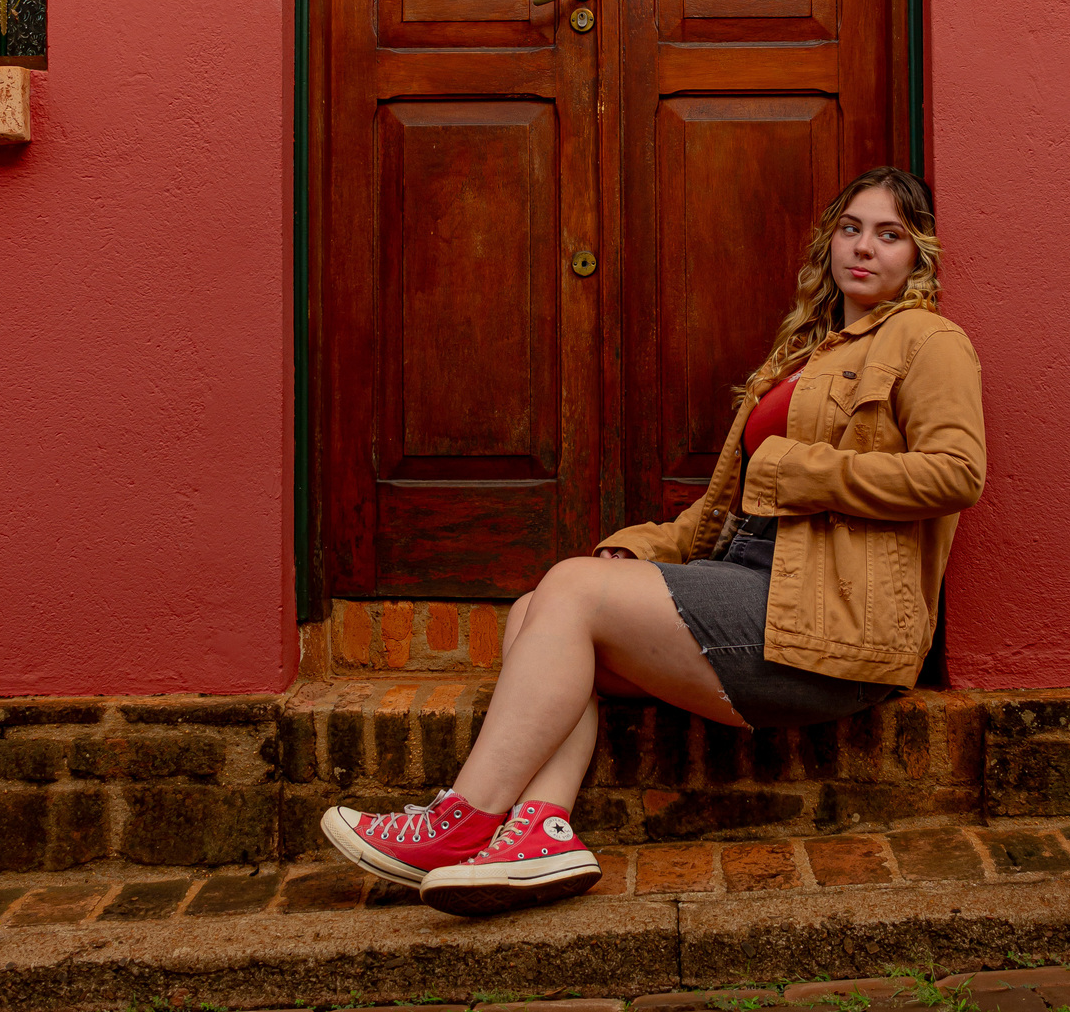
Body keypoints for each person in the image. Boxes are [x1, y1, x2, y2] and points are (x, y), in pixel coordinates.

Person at [321, 166, 986, 919]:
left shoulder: (929, 339)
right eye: (851, 229)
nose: (865, 248)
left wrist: (799, 469)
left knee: (568, 594)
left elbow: (957, 473)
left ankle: (459, 820)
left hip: (834, 620)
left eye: (889, 235)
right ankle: (541, 831)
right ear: (830, 242)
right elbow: (718, 515)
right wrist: (634, 549)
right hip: (753, 583)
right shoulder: (805, 353)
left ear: (917, 255)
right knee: (539, 605)